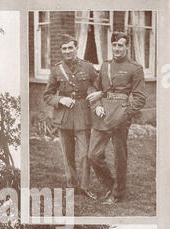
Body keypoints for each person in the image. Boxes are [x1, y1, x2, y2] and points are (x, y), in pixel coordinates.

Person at [86, 32, 146, 204]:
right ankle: (110, 184)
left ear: (127, 47)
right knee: (93, 155)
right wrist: (96, 105)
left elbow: (140, 97)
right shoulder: (106, 66)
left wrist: (125, 115)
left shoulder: (135, 68)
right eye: (114, 45)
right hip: (103, 114)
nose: (117, 48)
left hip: (121, 118)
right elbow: (94, 87)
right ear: (111, 46)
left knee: (120, 157)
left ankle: (118, 194)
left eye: (121, 45)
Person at [44, 34, 98, 199]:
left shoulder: (88, 67)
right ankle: (71, 185)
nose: (67, 51)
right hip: (64, 116)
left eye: (70, 47)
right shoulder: (56, 69)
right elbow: (47, 95)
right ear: (61, 50)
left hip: (83, 113)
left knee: (85, 154)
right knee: (68, 155)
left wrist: (91, 93)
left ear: (76, 48)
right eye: (64, 48)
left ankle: (85, 186)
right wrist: (61, 99)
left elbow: (96, 85)